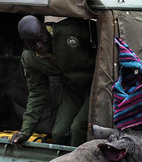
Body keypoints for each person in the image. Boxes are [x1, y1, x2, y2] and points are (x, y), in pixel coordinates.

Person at [11, 15, 96, 147]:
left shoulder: (69, 31)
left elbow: (104, 36)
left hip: (96, 84)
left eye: (40, 39)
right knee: (59, 133)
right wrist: (25, 131)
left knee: (78, 128)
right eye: (32, 43)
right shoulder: (30, 59)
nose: (38, 45)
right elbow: (37, 94)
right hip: (72, 90)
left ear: (45, 29)